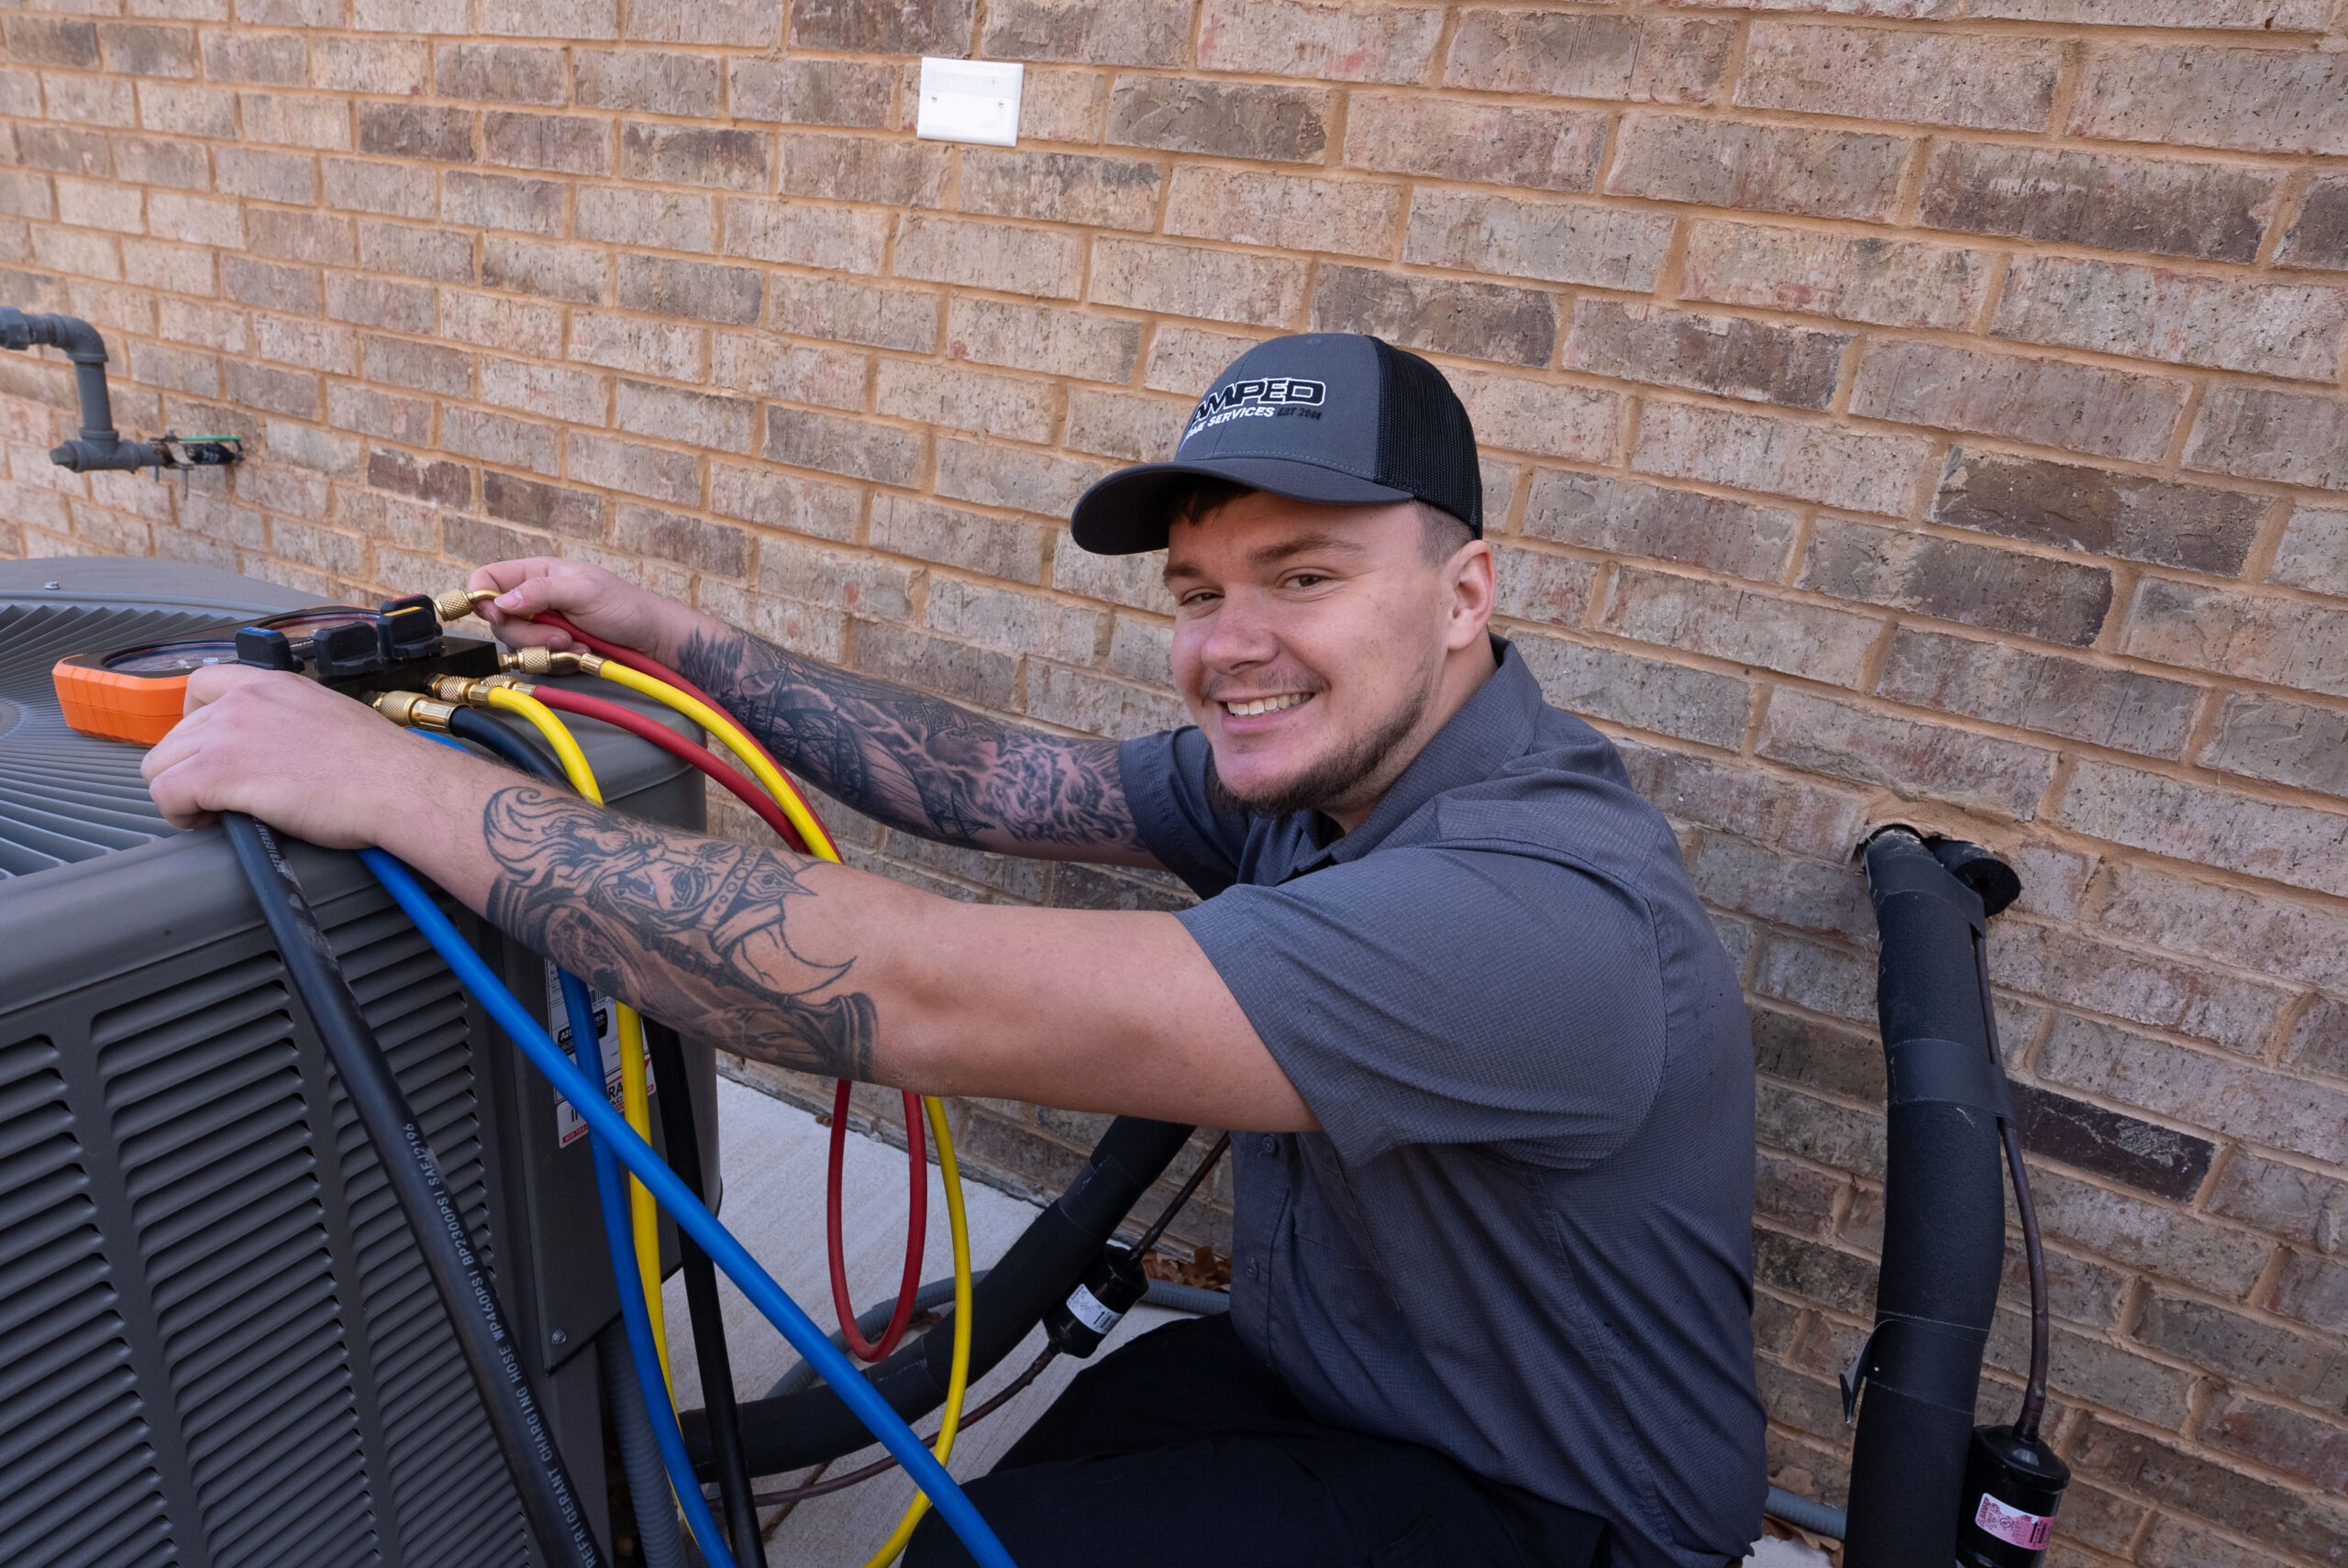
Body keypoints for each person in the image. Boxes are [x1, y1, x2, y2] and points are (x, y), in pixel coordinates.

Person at [143, 333, 1766, 1568]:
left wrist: (391, 785)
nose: (1230, 645)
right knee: (984, 1515)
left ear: (1466, 590)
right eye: (1199, 590)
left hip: (1553, 1508)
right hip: (1340, 1391)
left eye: (1306, 576)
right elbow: (992, 787)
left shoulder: (1537, 912)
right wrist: (667, 633)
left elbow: (918, 989)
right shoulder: (1337, 763)